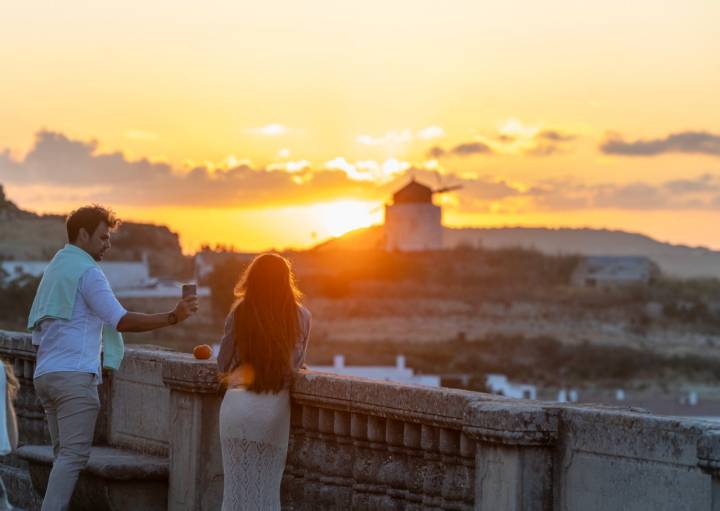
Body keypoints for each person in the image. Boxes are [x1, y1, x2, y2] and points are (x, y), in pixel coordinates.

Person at [27, 205, 199, 511]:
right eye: (103, 238)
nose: (108, 245)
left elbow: (39, 333)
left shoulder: (56, 268)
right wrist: (173, 317)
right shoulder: (88, 272)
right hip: (73, 378)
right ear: (83, 234)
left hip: (45, 377)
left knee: (62, 459)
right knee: (72, 458)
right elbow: (120, 320)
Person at [217, 253, 311, 511]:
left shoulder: (239, 314)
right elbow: (295, 365)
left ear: (252, 280)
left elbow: (222, 364)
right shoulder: (302, 316)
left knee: (235, 491)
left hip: (236, 407)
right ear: (285, 280)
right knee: (267, 492)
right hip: (273, 409)